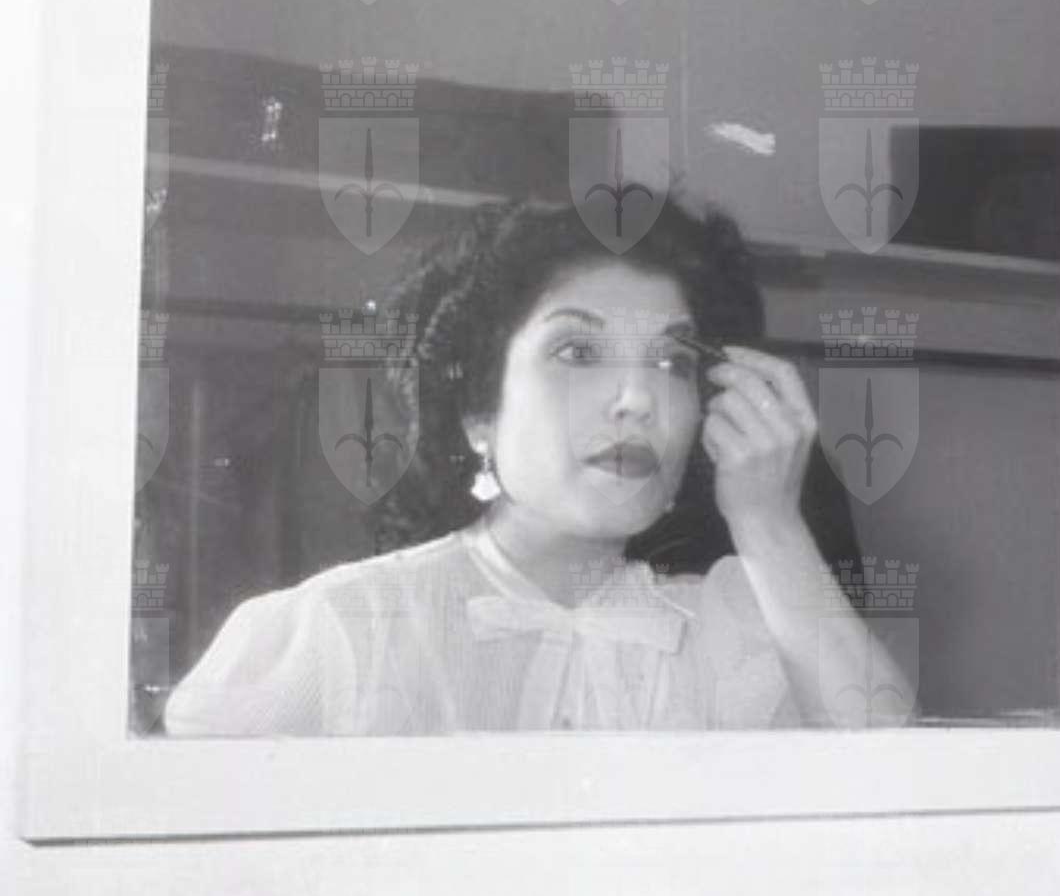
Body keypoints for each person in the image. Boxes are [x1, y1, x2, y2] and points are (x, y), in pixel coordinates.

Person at [165, 192, 908, 734]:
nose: (638, 399)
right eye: (577, 352)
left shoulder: (732, 626)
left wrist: (769, 523)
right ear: (478, 412)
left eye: (671, 362)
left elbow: (897, 799)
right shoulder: (336, 631)